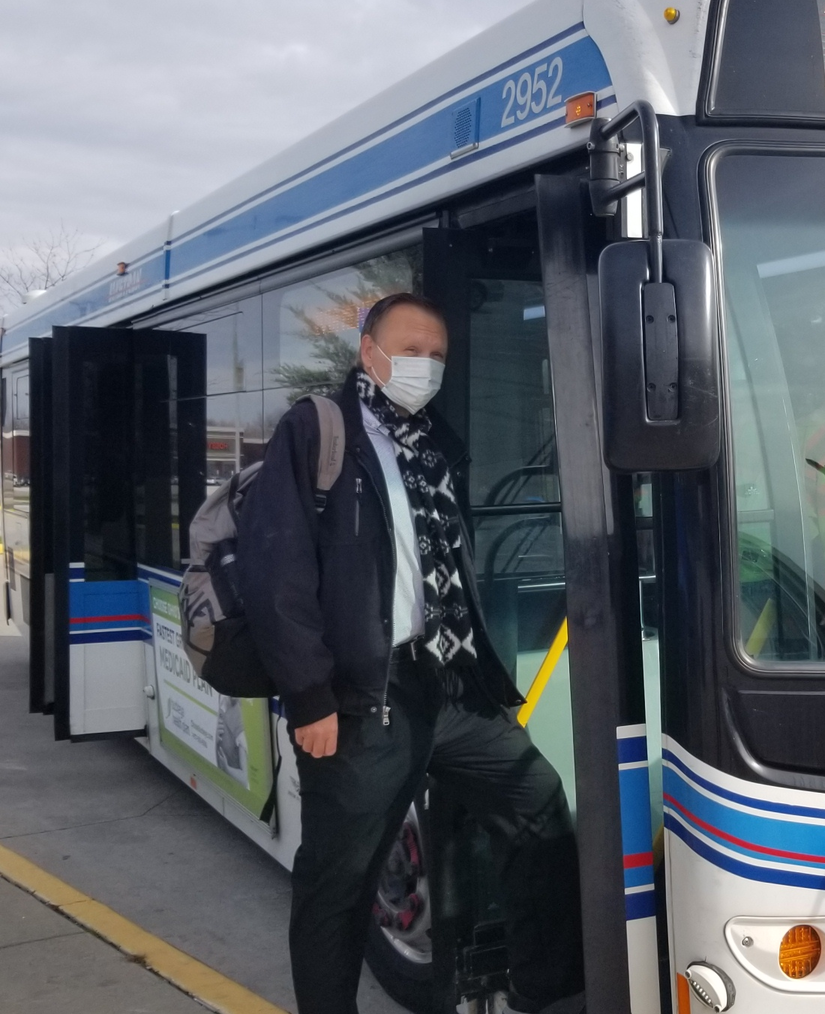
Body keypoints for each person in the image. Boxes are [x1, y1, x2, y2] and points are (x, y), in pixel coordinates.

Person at [237, 292, 584, 1014]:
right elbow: (278, 572)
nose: (425, 365)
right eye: (411, 349)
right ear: (369, 353)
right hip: (363, 700)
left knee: (537, 802)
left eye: (438, 354)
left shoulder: (431, 443)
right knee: (342, 880)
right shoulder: (320, 430)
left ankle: (540, 989)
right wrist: (309, 694)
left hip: (447, 689)